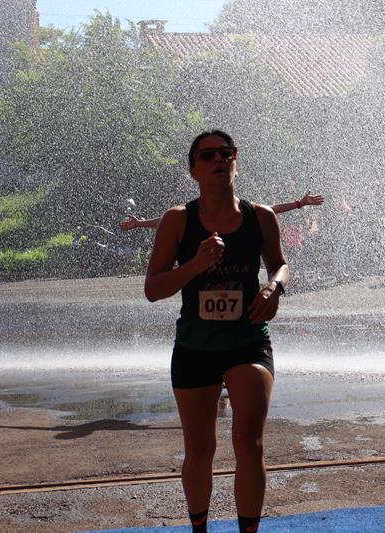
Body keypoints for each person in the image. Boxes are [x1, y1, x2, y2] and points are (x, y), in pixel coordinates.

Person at [144, 130, 289, 533]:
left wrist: (273, 287)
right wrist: (195, 264)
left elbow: (279, 263)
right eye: (207, 155)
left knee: (249, 442)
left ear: (236, 162)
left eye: (226, 153)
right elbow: (153, 289)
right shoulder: (178, 220)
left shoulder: (261, 216)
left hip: (247, 341)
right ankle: (200, 528)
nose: (218, 160)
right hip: (196, 344)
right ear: (194, 170)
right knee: (200, 449)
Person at [120, 192, 324, 231]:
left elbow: (272, 210)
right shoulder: (197, 212)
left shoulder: (242, 211)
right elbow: (167, 221)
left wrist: (299, 203)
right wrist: (139, 223)